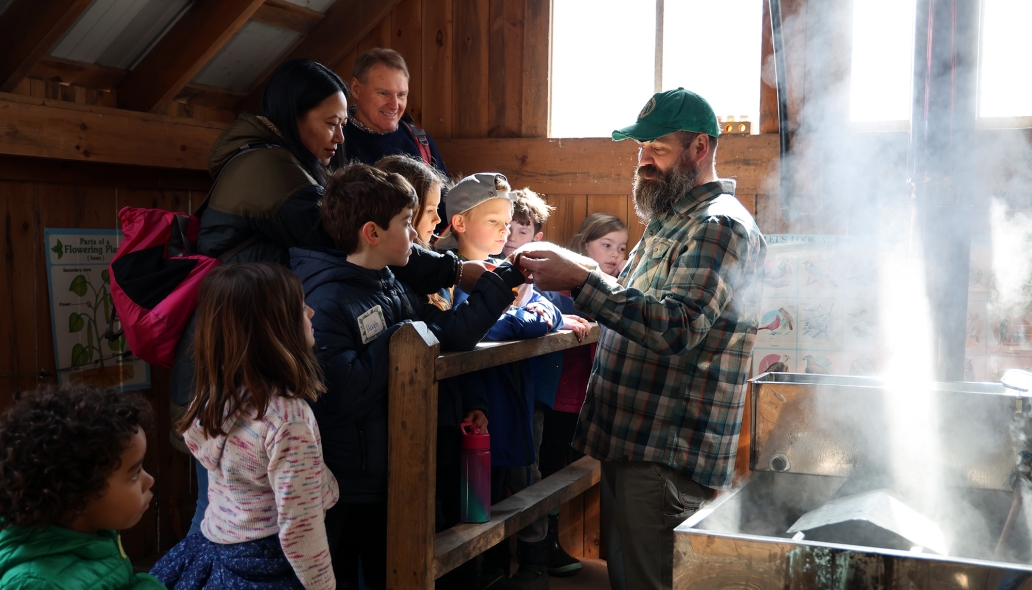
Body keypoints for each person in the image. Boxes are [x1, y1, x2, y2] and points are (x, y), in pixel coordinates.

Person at [170, 59, 485, 537]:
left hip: (248, 353)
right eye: (331, 123)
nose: (340, 136)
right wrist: (454, 270)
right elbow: (355, 242)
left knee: (243, 514)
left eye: (343, 122)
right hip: (227, 359)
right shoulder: (268, 168)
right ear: (295, 115)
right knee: (222, 519)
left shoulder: (293, 165)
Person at [516, 88, 767, 590]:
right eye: (640, 148)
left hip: (665, 454)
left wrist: (579, 280)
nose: (643, 161)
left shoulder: (718, 227)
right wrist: (576, 269)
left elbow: (676, 326)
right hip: (635, 444)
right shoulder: (671, 221)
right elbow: (630, 296)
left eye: (658, 148)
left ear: (700, 147)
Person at [289, 164, 527, 589]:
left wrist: (501, 281)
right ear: (372, 233)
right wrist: (398, 341)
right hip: (346, 482)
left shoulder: (388, 283)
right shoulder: (328, 297)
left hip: (391, 470)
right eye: (405, 223)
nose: (416, 236)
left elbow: (445, 334)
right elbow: (338, 393)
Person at [152, 262, 338, 589]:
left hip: (218, 553)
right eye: (299, 308)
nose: (310, 312)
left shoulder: (214, 398)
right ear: (272, 331)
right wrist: (324, 586)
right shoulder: (287, 419)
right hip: (269, 563)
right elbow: (301, 527)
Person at [437, 174, 570, 590]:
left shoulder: (505, 268)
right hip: (471, 412)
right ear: (458, 222)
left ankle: (500, 568)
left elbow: (548, 313)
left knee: (505, 491)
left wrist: (518, 318)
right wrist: (514, 319)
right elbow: (473, 329)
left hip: (508, 404)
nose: (506, 230)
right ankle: (477, 574)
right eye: (494, 220)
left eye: (508, 221)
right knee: (471, 501)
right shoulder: (450, 277)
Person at [500, 189, 589, 581]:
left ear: (537, 238)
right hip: (499, 390)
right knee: (503, 471)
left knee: (531, 469)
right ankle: (502, 559)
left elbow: (561, 312)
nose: (511, 238)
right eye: (505, 227)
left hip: (537, 391)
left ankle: (535, 553)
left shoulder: (548, 281)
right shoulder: (482, 270)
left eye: (521, 229)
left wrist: (558, 317)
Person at [0, 385, 162, 589]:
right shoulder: (37, 584)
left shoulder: (90, 532)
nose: (149, 480)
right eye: (134, 474)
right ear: (77, 497)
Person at [343, 49, 448, 174]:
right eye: (384, 93)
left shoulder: (421, 142)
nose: (394, 105)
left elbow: (445, 193)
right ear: (356, 89)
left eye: (401, 95)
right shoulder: (335, 142)